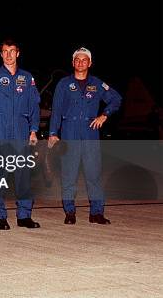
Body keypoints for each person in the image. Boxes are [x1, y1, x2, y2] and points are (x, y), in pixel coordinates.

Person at [48, 47, 121, 225]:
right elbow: (56, 110)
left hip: (90, 131)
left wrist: (104, 115)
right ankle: (70, 212)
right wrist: (52, 133)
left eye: (84, 59)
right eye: (77, 60)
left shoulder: (97, 84)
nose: (81, 62)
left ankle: (96, 213)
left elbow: (116, 99)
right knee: (69, 174)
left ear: (90, 63)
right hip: (69, 131)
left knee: (93, 174)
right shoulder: (64, 84)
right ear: (73, 63)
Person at [0, 38, 41, 230]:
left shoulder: (27, 78)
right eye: (5, 51)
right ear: (1, 54)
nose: (8, 54)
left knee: (23, 176)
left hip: (22, 133)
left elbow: (34, 106)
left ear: (18, 53)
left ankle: (24, 216)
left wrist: (34, 130)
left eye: (12, 51)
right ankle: (0, 216)